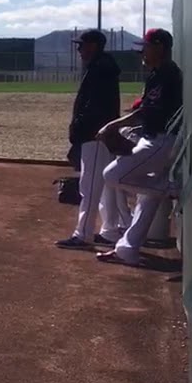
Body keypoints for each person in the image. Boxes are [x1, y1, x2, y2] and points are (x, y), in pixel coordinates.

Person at [97, 28, 184, 266]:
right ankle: (127, 248)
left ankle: (169, 189)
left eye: (146, 47)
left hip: (162, 140)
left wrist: (113, 126)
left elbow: (146, 112)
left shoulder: (168, 74)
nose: (142, 52)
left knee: (112, 175)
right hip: (154, 137)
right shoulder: (158, 74)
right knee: (147, 197)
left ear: (160, 47)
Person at [55, 30, 122, 249]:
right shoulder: (102, 66)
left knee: (90, 186)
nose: (79, 49)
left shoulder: (99, 69)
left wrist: (79, 128)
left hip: (95, 134)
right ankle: (110, 231)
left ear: (93, 46)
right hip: (100, 133)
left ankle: (83, 235)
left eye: (82, 45)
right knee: (104, 185)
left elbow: (93, 106)